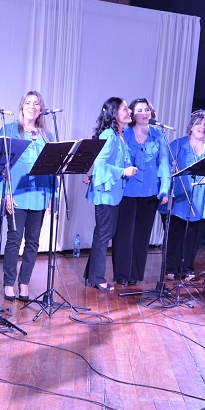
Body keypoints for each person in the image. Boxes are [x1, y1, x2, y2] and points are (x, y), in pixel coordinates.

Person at [0, 91, 55, 302]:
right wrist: (6, 191)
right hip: (17, 194)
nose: (32, 107)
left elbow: (54, 168)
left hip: (40, 194)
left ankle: (24, 283)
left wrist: (53, 194)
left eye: (36, 104)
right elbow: (1, 165)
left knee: (33, 242)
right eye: (28, 103)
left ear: (41, 109)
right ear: (22, 106)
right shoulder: (9, 130)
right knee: (14, 240)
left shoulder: (46, 135)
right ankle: (8, 284)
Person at [112, 98, 170, 286]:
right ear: (132, 114)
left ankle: (135, 274)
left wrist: (165, 189)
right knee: (123, 233)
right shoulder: (124, 133)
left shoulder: (158, 134)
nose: (144, 113)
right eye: (139, 110)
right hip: (126, 191)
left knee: (142, 235)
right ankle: (122, 274)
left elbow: (163, 163)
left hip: (150, 192)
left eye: (147, 110)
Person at [83, 97, 138, 291]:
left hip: (113, 193)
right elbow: (100, 163)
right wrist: (123, 171)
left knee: (106, 232)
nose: (129, 112)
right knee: (104, 234)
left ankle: (91, 274)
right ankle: (97, 277)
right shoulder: (109, 134)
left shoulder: (119, 135)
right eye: (124, 109)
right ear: (114, 113)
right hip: (105, 193)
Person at [163, 109, 205, 280]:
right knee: (175, 234)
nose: (202, 127)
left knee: (194, 237)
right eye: (199, 123)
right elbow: (166, 168)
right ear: (191, 126)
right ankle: (170, 268)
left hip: (202, 197)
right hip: (181, 196)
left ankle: (187, 268)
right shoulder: (178, 144)